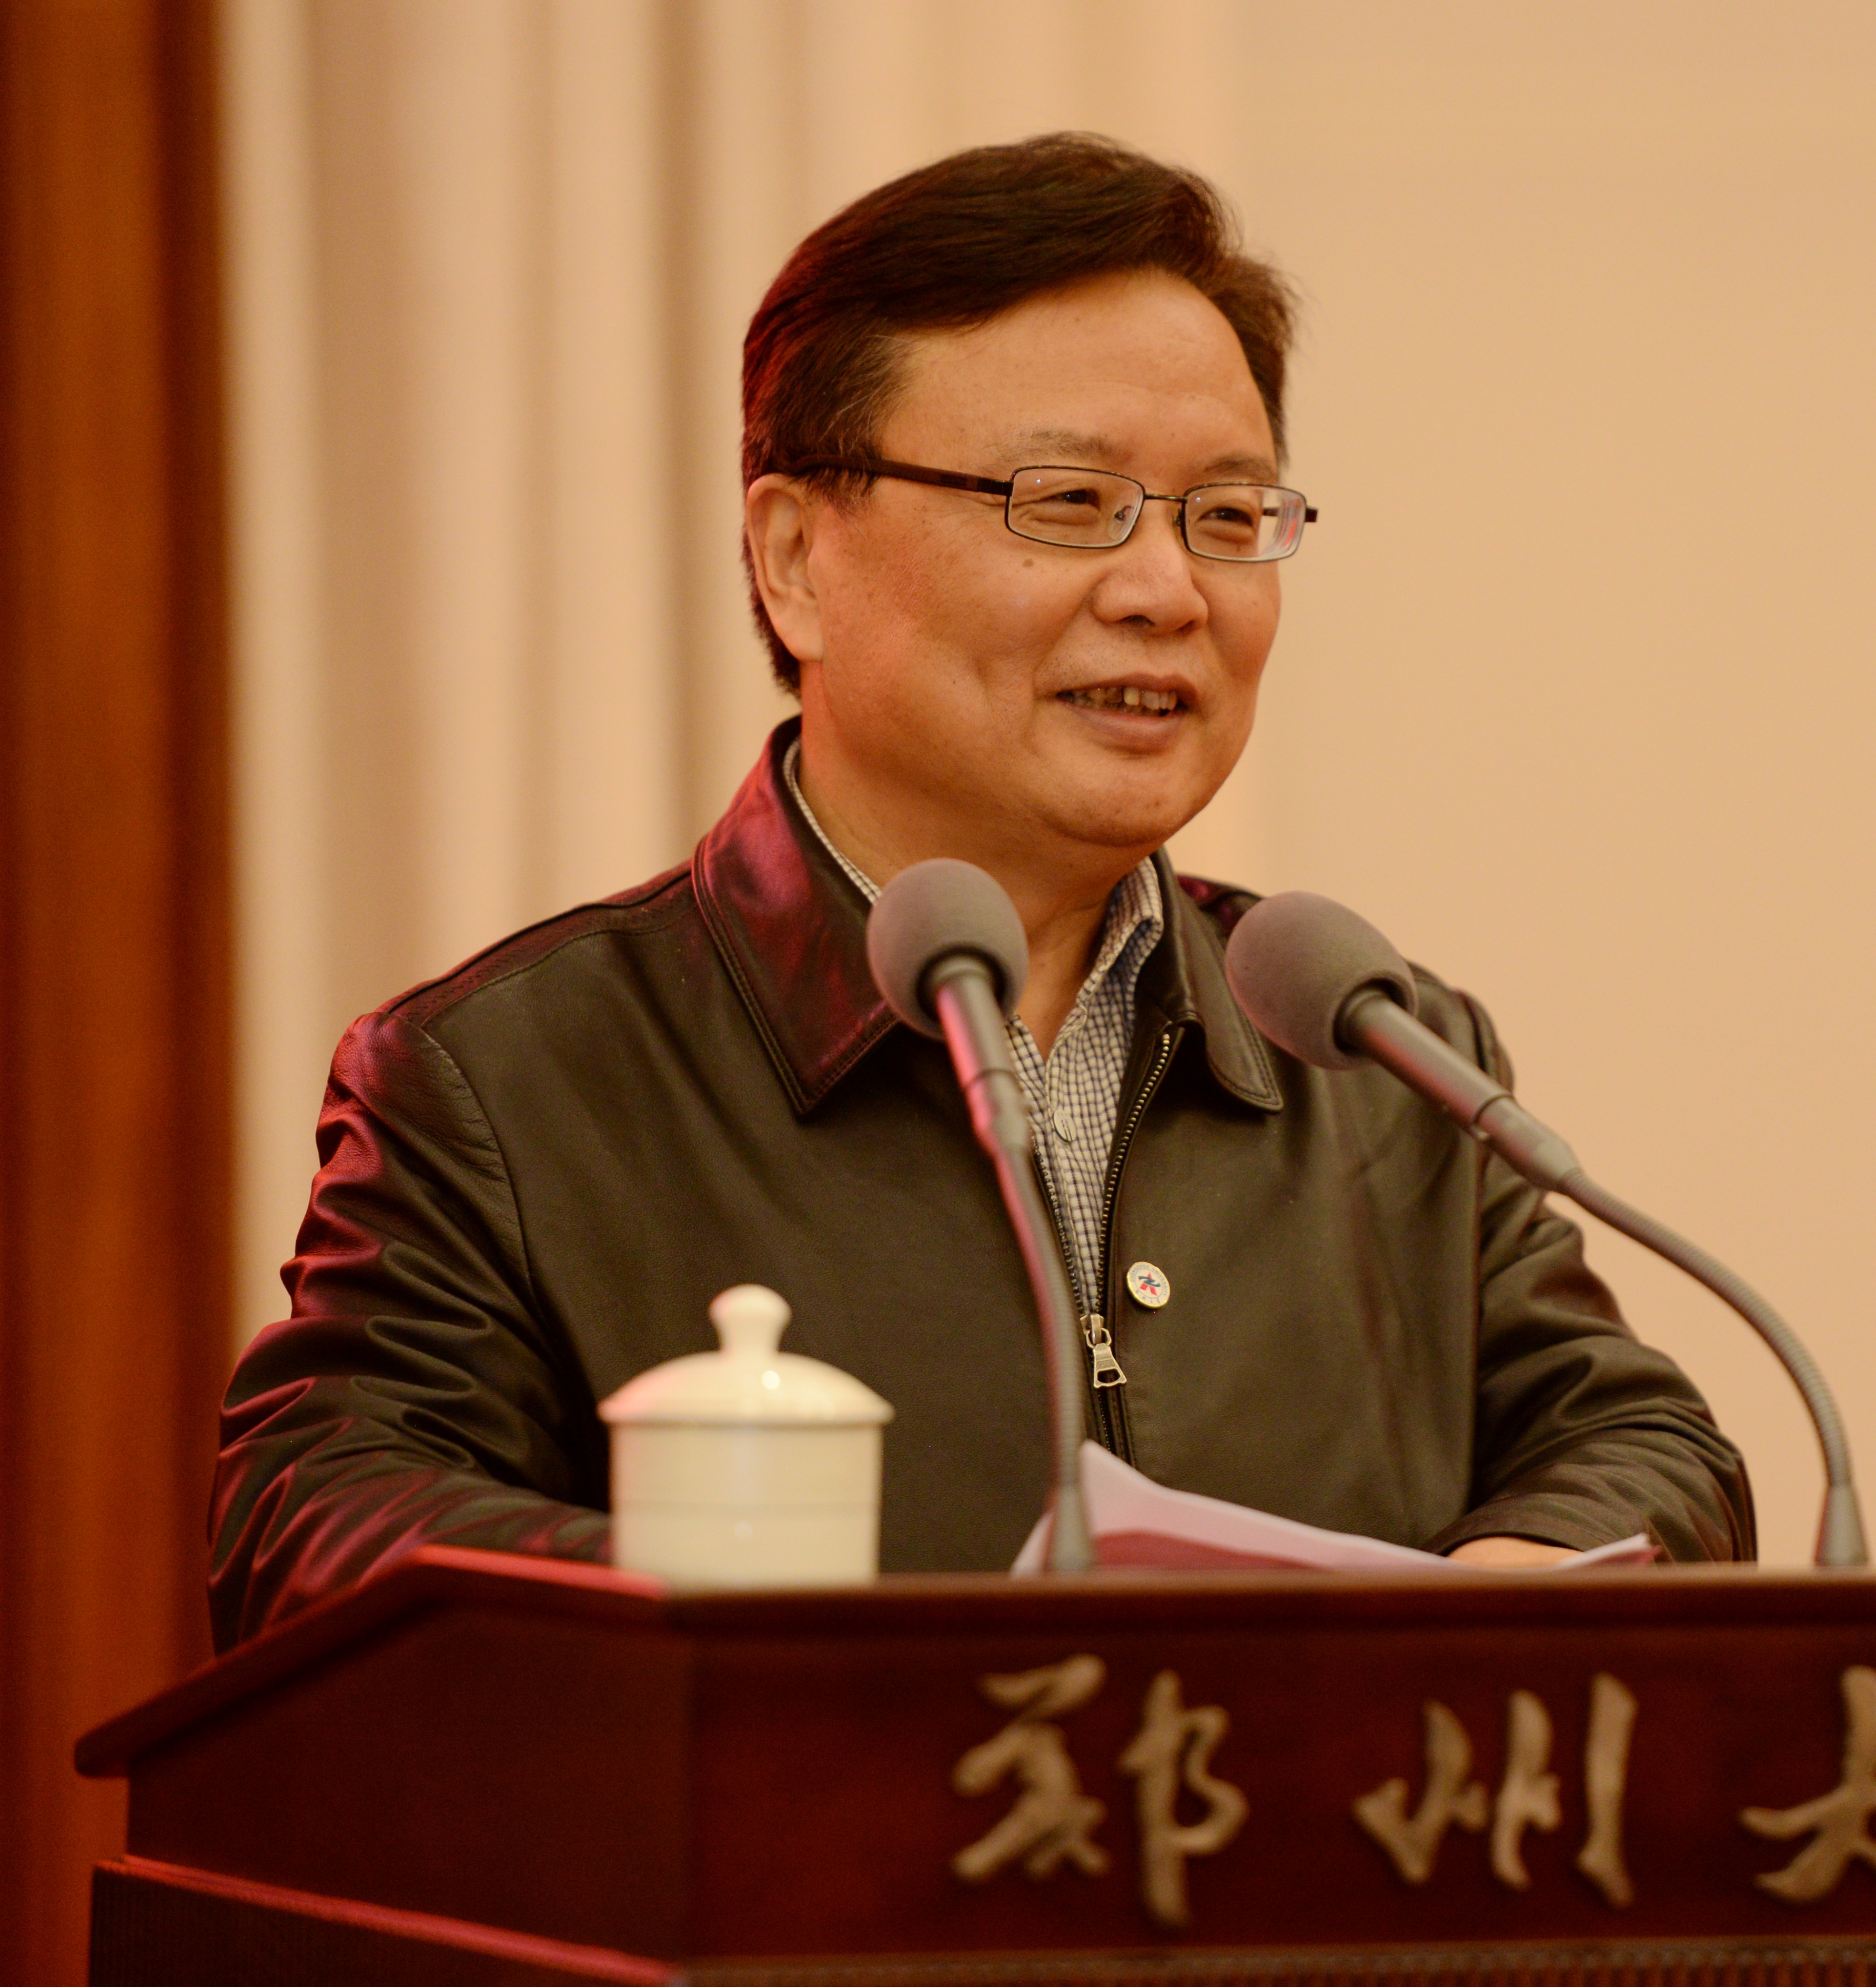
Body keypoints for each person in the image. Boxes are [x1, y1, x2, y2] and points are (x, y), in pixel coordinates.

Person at [210, 133, 1752, 1651]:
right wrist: (754, 1610)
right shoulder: (509, 1080)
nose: (1166, 590)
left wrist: (1490, 1602)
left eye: (1228, 518)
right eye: (1068, 503)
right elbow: (316, 1522)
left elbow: (1641, 1443)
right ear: (796, 560)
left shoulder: (1374, 1055)